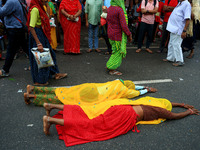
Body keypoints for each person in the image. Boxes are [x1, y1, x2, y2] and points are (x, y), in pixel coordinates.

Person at [42, 98, 199, 147]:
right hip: (125, 117)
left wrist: (183, 105)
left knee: (88, 114)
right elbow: (173, 116)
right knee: (93, 126)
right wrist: (188, 112)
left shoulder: (155, 103)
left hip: (120, 109)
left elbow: (169, 105)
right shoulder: (162, 111)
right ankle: (51, 119)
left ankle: (51, 108)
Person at [24, 79, 157, 116]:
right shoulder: (126, 92)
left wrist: (142, 86)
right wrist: (147, 90)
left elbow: (134, 86)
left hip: (89, 87)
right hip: (92, 96)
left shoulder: (118, 81)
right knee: (63, 100)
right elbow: (137, 93)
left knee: (62, 91)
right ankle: (33, 97)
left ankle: (32, 89)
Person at [27, 0, 67, 86]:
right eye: (44, 0)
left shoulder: (41, 7)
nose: (46, 1)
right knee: (41, 57)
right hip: (37, 34)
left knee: (50, 54)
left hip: (41, 33)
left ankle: (55, 73)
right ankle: (40, 80)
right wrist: (38, 43)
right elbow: (31, 27)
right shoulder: (35, 9)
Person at [0, 0, 28, 77]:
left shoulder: (11, 1)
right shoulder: (15, 1)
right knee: (26, 48)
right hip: (17, 28)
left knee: (10, 50)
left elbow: (1, 12)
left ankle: (5, 70)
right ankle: (37, 65)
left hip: (14, 29)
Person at [106, 0, 132, 76]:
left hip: (110, 33)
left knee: (114, 51)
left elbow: (108, 20)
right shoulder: (119, 10)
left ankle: (110, 65)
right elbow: (123, 25)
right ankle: (111, 68)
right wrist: (129, 34)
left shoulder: (110, 8)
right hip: (117, 35)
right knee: (117, 52)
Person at [163, 0, 191, 66]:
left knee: (176, 44)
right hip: (173, 28)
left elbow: (187, 19)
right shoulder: (180, 3)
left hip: (179, 28)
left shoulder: (186, 4)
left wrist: (184, 31)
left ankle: (180, 61)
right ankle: (170, 58)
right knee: (171, 43)